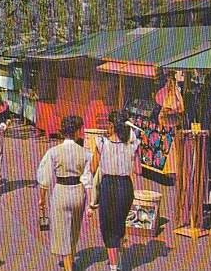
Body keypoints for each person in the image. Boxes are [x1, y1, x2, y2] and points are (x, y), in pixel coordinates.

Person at [37, 116, 92, 271]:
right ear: (76, 131)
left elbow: (45, 178)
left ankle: (68, 267)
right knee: (74, 230)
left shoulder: (53, 152)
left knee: (62, 232)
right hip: (78, 192)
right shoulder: (85, 153)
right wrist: (91, 203)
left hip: (61, 191)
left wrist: (41, 200)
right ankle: (70, 261)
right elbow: (88, 179)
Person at [90, 110, 141, 271]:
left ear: (112, 125)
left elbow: (92, 168)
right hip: (125, 186)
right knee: (119, 222)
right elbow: (138, 170)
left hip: (108, 185)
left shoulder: (102, 142)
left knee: (108, 225)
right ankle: (117, 258)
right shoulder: (133, 144)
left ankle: (113, 265)